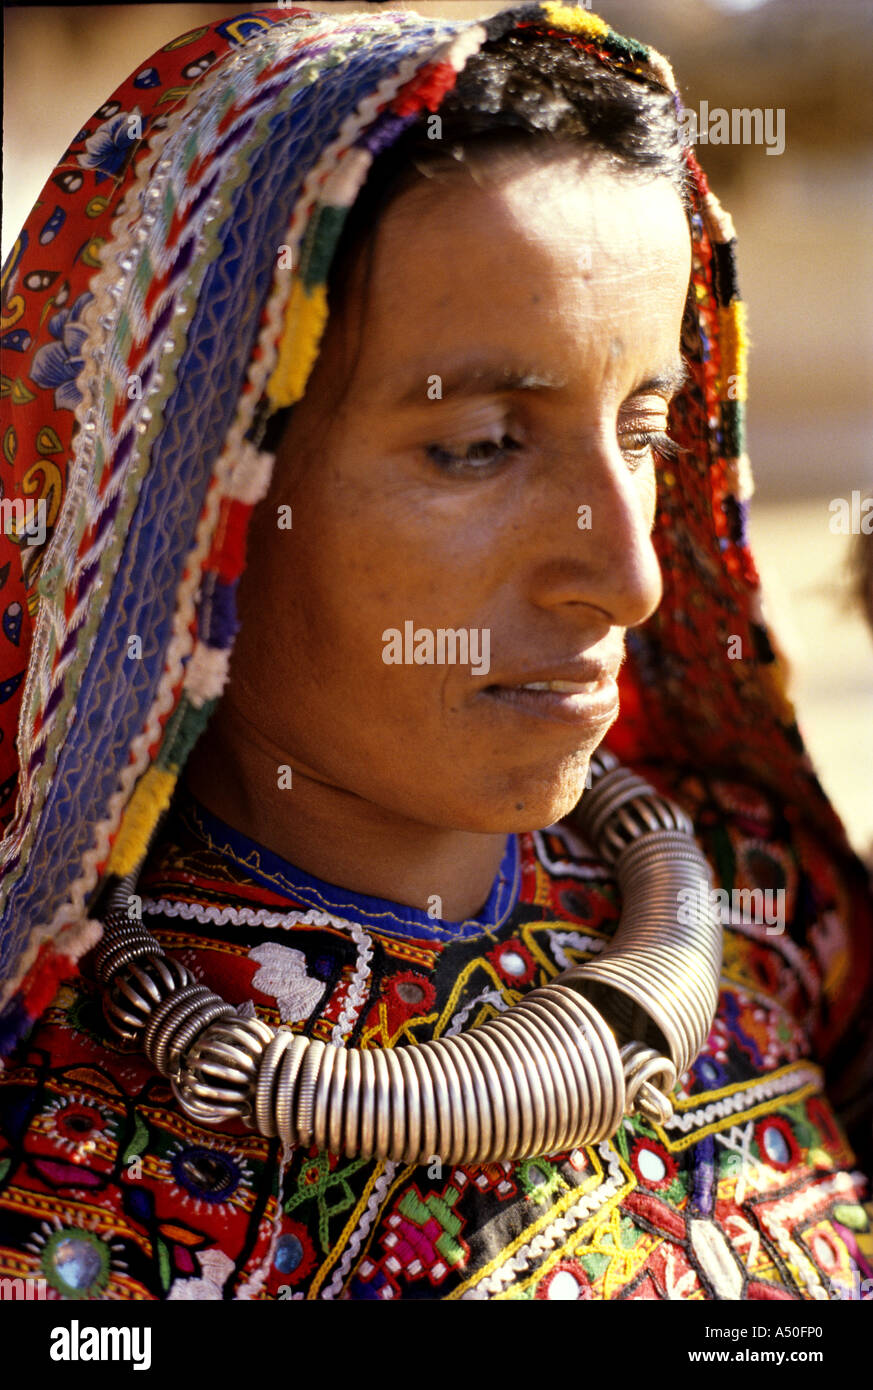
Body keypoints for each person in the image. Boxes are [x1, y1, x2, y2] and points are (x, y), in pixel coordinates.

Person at [0, 2, 871, 1303]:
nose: (627, 576)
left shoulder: (772, 909)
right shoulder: (59, 1189)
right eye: (476, 446)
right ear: (201, 495)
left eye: (643, 432)